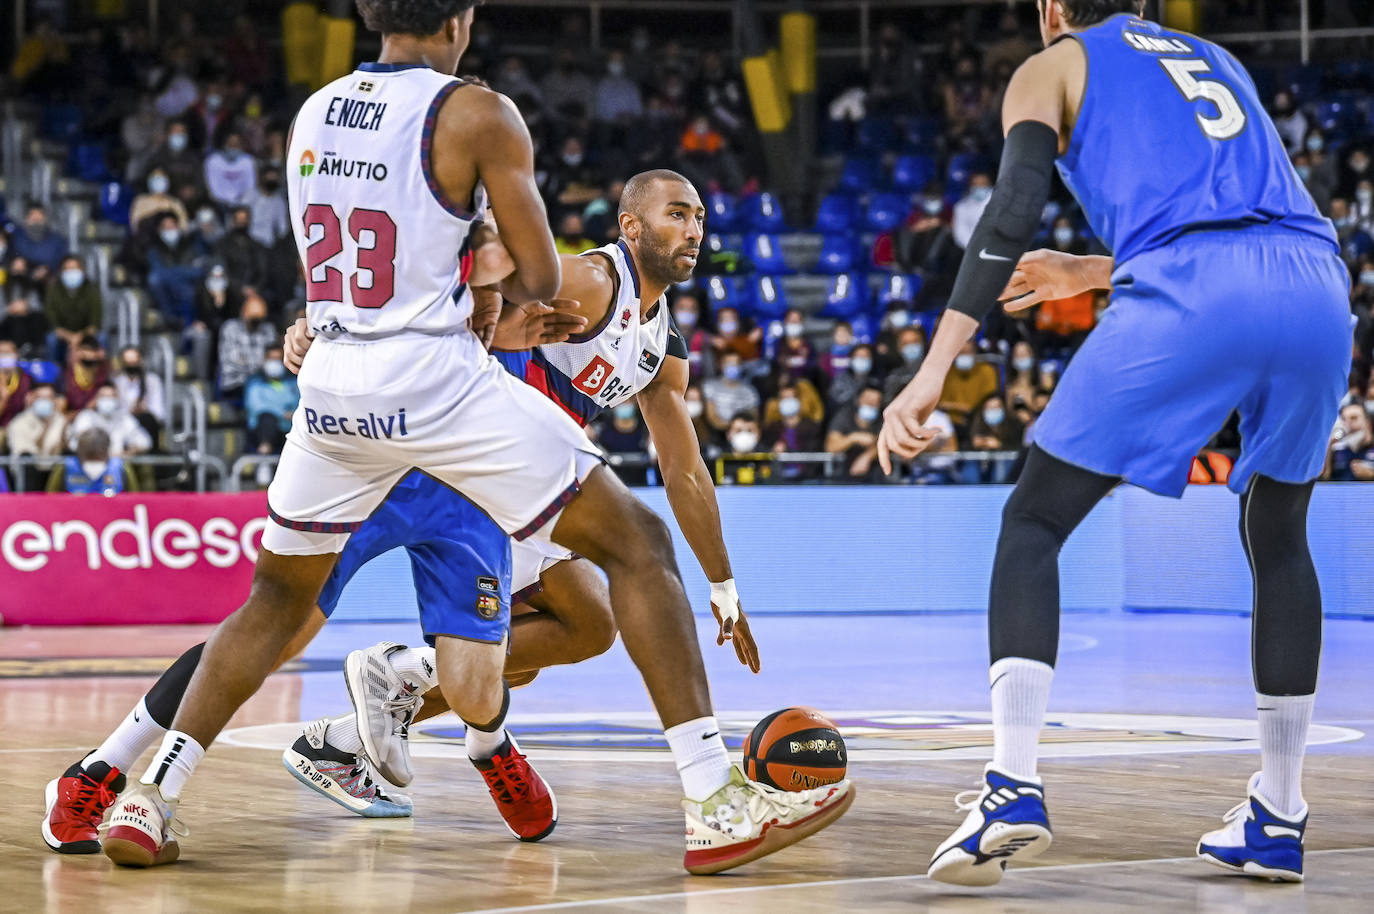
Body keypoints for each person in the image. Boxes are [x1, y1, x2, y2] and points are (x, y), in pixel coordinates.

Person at [94, 8, 848, 875]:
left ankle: (151, 795)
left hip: (335, 385)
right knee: (637, 546)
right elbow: (533, 271)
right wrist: (502, 279)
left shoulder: (316, 109)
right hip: (435, 395)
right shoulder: (479, 114)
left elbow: (347, 249)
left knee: (276, 605)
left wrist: (341, 316)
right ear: (461, 16)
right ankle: (715, 799)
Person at [879, 0, 1351, 886]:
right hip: (1317, 285)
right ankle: (1280, 813)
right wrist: (1093, 270)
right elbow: (1244, 215)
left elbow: (1014, 206)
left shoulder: (1053, 65)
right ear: (1143, 5)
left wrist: (934, 366)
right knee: (1279, 536)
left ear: (1052, 9)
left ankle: (1012, 785)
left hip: (1197, 291)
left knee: (1035, 521)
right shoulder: (1215, 59)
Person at [217, 289, 276, 401]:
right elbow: (234, 359)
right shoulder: (230, 328)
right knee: (257, 390)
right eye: (253, 318)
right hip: (236, 382)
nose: (256, 322)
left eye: (259, 318)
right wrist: (260, 364)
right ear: (244, 312)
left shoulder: (268, 329)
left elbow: (274, 356)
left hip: (264, 380)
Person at [66, 382, 153, 457]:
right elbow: (76, 442)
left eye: (111, 396)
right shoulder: (86, 416)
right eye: (103, 396)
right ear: (96, 399)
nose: (107, 400)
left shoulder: (124, 418)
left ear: (117, 399)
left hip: (118, 464)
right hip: (89, 463)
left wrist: (129, 453)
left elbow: (145, 442)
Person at [46, 427, 139, 494]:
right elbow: (50, 498)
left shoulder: (122, 468)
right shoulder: (64, 467)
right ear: (79, 453)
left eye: (97, 458)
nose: (93, 463)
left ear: (106, 452)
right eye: (89, 458)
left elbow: (134, 498)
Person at [243, 345, 299, 457]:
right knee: (267, 417)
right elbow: (257, 406)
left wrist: (294, 414)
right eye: (272, 359)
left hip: (290, 427)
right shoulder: (255, 382)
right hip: (264, 428)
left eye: (278, 359)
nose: (275, 363)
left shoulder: (293, 383)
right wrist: (282, 413)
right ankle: (264, 459)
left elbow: (300, 401)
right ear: (265, 360)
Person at [826, 386, 884, 478]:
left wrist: (867, 457)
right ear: (858, 400)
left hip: (877, 475)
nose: (871, 404)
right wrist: (854, 438)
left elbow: (888, 444)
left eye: (876, 401)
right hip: (843, 474)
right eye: (868, 399)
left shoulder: (884, 418)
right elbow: (831, 447)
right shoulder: (844, 416)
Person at [112, 345, 166, 443]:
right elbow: (113, 411)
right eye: (128, 362)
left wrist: (145, 409)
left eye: (134, 362)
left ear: (141, 361)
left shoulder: (153, 381)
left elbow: (159, 412)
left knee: (147, 419)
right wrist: (130, 411)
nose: (131, 366)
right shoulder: (116, 382)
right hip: (122, 427)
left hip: (145, 425)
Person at [702, 350, 761, 430]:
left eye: (736, 363)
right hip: (717, 432)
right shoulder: (710, 386)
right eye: (729, 363)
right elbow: (711, 416)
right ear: (721, 365)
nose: (732, 366)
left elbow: (754, 416)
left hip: (742, 433)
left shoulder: (750, 390)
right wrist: (731, 428)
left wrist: (739, 430)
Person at [62, 335, 110, 415]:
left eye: (91, 350)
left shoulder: (101, 373)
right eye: (85, 350)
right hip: (73, 414)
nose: (88, 354)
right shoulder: (69, 372)